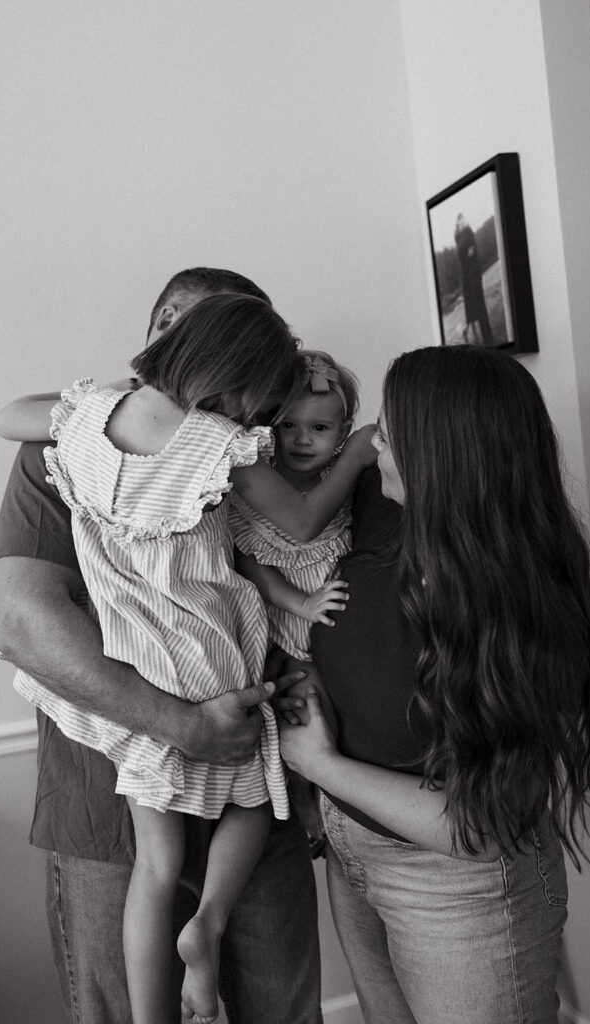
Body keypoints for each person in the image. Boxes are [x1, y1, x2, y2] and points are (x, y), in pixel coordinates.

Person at [0, 289, 375, 1024]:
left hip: (134, 661)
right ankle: (209, 923)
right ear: (244, 378)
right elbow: (300, 521)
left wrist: (100, 399)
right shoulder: (217, 445)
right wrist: (359, 448)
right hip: (210, 660)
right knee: (254, 794)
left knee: (156, 867)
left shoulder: (81, 424)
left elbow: (7, 415)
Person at [279, 344, 590, 1024]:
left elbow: (478, 825)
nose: (371, 444)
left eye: (387, 433)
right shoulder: (386, 516)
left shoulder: (514, 608)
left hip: (456, 888)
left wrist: (317, 764)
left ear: (436, 454)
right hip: (351, 851)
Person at [229, 350, 359, 842]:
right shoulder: (256, 486)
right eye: (289, 426)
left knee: (334, 720)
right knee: (301, 711)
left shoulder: (345, 485)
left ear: (344, 432)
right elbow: (252, 566)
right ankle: (307, 809)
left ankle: (338, 814)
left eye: (320, 429)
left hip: (335, 632)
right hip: (284, 627)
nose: (303, 439)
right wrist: (301, 603)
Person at [454, 213, 493, 346]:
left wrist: (465, 252)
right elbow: (463, 254)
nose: (461, 223)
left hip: (473, 276)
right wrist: (464, 252)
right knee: (470, 311)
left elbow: (469, 253)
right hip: (466, 278)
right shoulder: (458, 236)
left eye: (462, 221)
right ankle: (475, 337)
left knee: (480, 307)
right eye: (459, 222)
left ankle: (487, 337)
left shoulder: (468, 232)